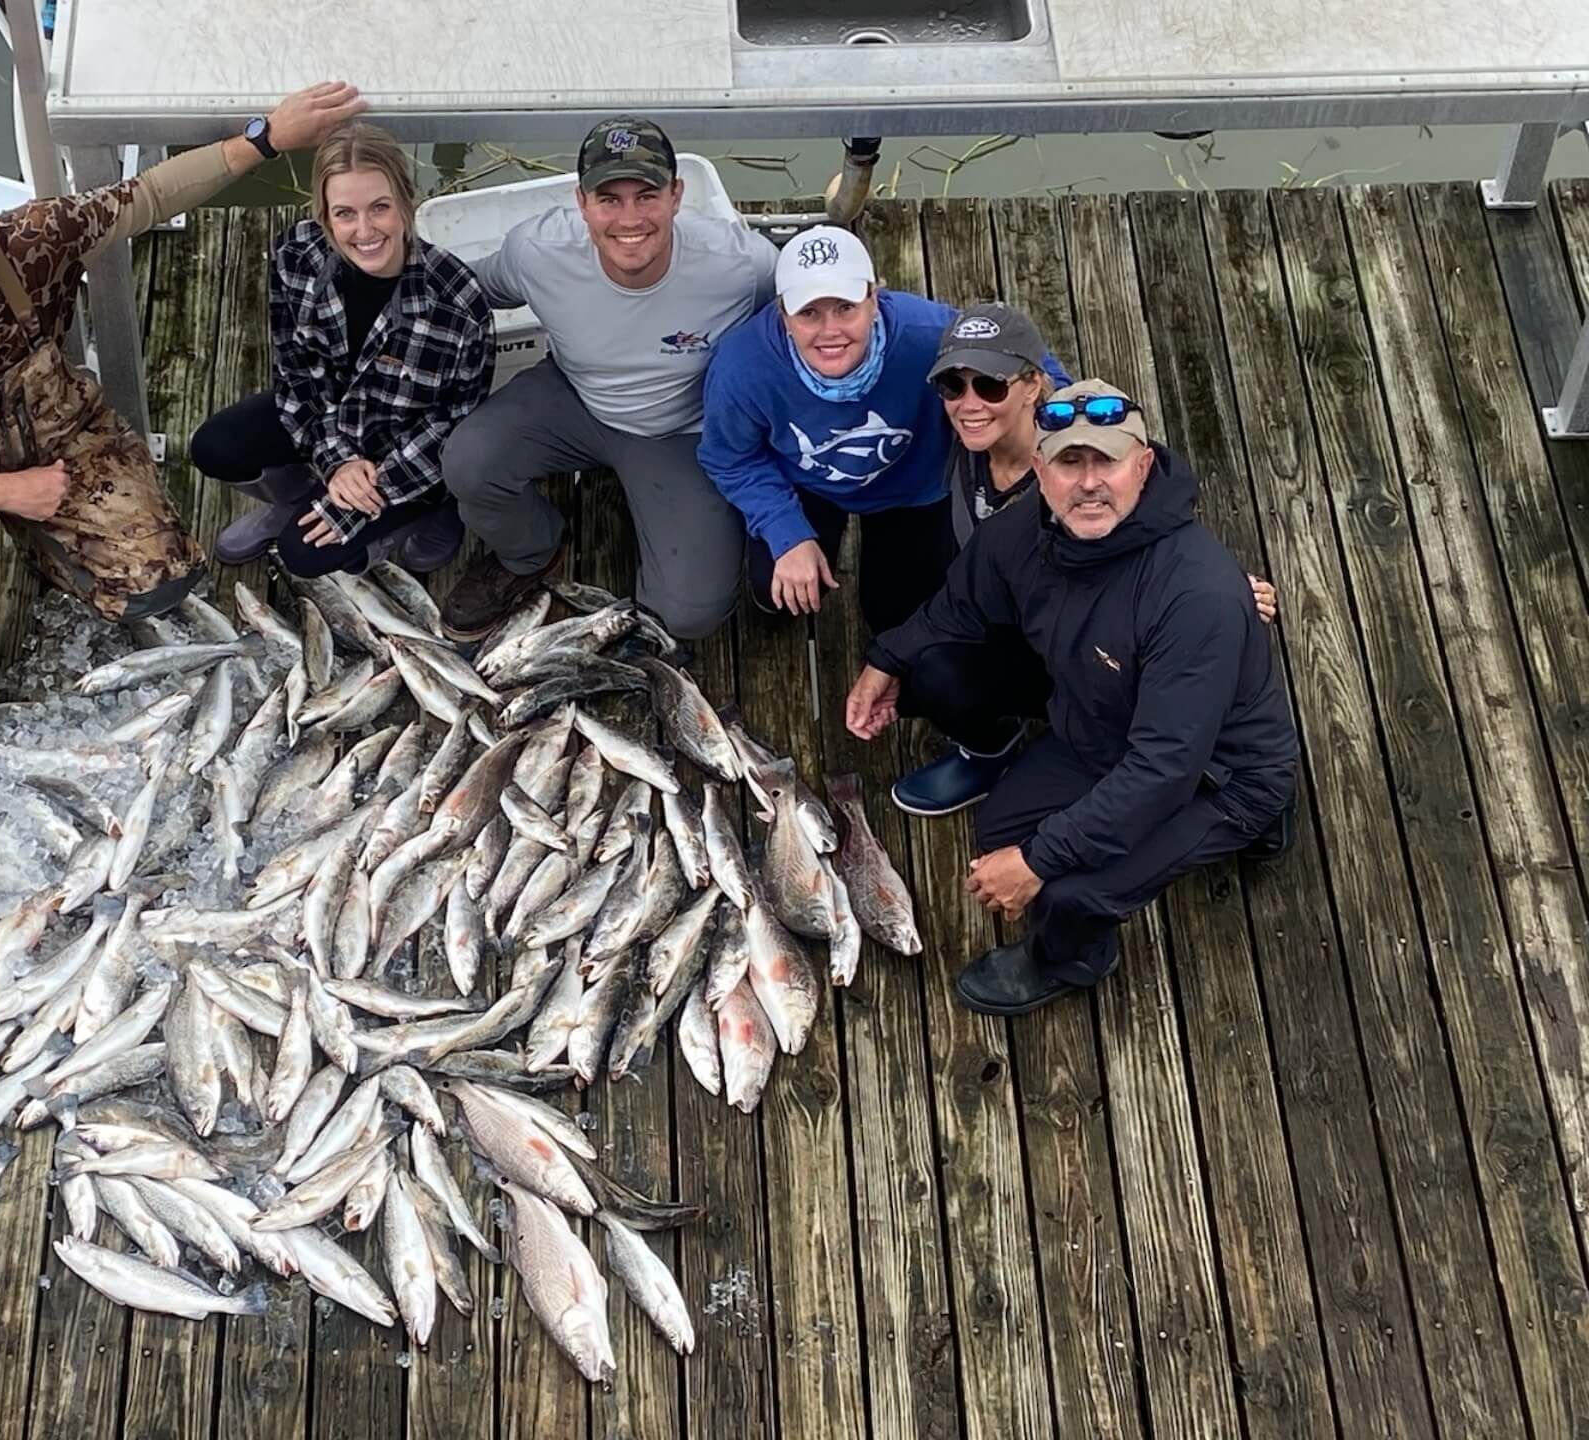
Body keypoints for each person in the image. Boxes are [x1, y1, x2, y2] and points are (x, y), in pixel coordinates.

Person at [0, 82, 368, 733]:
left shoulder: (33, 240)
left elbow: (151, 196)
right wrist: (5, 491)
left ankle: (57, 553)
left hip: (62, 439)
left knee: (158, 581)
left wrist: (266, 137)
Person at [844, 381, 1300, 1015]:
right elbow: (960, 603)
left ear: (1142, 466)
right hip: (1101, 731)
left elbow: (1165, 769)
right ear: (1040, 468)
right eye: (1068, 462)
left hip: (1219, 775)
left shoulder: (1197, 596)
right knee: (1001, 826)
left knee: (1070, 890)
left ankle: (1073, 957)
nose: (1089, 484)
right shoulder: (1020, 533)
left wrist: (1037, 861)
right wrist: (885, 658)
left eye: (1106, 461)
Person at [437, 116, 779, 643]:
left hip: (683, 432)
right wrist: (372, 273)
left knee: (688, 615)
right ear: (582, 203)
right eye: (609, 199)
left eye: (647, 196)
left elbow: (808, 316)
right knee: (468, 461)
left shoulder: (743, 265)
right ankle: (531, 549)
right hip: (573, 398)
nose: (630, 218)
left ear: (676, 196)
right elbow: (462, 289)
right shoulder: (537, 251)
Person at [697, 232, 1069, 636]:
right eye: (808, 313)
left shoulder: (929, 331)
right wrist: (785, 532)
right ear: (782, 314)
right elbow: (728, 456)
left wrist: (1063, 419)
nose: (830, 331)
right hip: (805, 486)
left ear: (874, 300)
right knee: (777, 597)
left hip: (916, 486)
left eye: (845, 307)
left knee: (896, 616)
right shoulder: (741, 367)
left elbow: (1033, 362)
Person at [191, 122, 493, 578]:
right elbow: (296, 374)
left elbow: (456, 429)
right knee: (213, 446)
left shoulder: (459, 302)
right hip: (330, 427)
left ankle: (425, 511)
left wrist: (367, 495)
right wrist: (336, 463)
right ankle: (296, 502)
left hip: (407, 458)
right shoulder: (296, 255)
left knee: (304, 555)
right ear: (324, 214)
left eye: (380, 208)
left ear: (406, 204)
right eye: (345, 213)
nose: (365, 230)